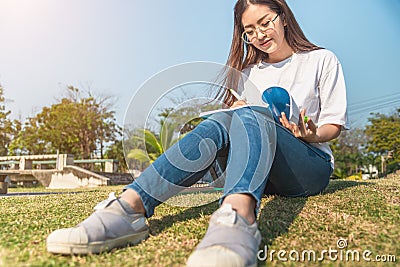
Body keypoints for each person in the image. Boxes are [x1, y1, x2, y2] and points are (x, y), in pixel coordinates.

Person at [46, 0, 349, 266]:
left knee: (249, 115)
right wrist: (238, 112)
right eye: (250, 31)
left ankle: (238, 217)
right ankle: (129, 207)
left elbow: (332, 126)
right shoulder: (246, 74)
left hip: (307, 165)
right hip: (259, 170)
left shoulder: (321, 60)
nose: (259, 35)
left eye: (265, 22)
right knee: (221, 121)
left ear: (282, 16)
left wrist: (308, 134)